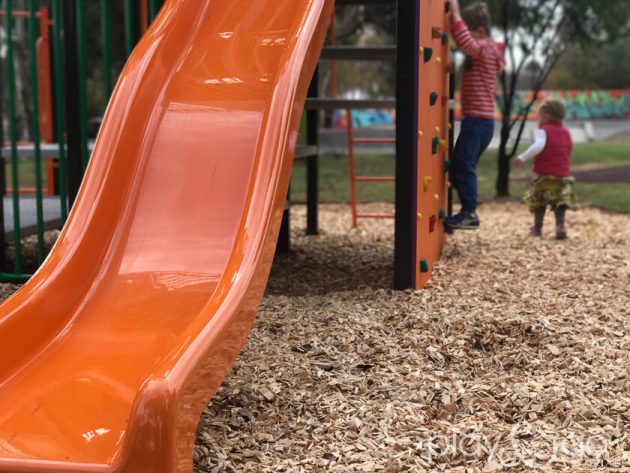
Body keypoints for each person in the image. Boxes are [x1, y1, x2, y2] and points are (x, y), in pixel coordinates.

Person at [445, 0, 504, 230]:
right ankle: (464, 211)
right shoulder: (485, 50)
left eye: (465, 31)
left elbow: (466, 43)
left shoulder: (485, 48)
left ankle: (470, 213)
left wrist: (456, 14)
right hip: (479, 122)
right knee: (459, 167)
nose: (460, 41)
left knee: (463, 165)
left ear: (479, 31)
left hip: (478, 122)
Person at [515, 99, 577, 239]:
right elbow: (568, 149)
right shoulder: (566, 132)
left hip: (544, 175)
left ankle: (537, 229)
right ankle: (560, 226)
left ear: (546, 117)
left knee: (540, 201)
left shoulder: (543, 131)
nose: (539, 119)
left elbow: (538, 146)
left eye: (540, 115)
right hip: (562, 174)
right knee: (559, 201)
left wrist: (522, 157)